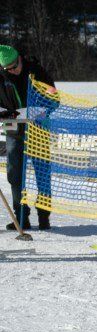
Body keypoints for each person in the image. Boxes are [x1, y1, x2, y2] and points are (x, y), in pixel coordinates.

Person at [0, 45, 55, 231]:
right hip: (14, 132)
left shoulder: (37, 71)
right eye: (7, 69)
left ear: (19, 59)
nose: (12, 71)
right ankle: (21, 217)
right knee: (14, 175)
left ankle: (44, 217)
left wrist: (36, 112)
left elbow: (54, 99)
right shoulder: (2, 77)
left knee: (42, 174)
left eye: (14, 67)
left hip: (39, 130)